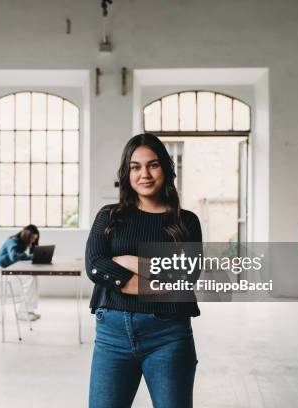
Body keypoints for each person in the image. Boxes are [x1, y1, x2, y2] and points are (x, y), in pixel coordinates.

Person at [86, 133, 202, 408]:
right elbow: (94, 266)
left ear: (167, 168)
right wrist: (158, 280)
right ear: (126, 173)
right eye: (135, 167)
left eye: (153, 165)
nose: (144, 174)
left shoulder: (187, 222)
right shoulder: (109, 216)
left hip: (168, 336)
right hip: (111, 335)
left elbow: (185, 278)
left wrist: (127, 261)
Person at [0, 225, 41, 321]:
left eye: (35, 239)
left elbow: (19, 259)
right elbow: (14, 257)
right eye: (32, 238)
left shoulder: (21, 244)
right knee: (30, 278)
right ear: (26, 235)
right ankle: (23, 312)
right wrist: (32, 257)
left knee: (32, 276)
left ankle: (28, 310)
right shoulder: (12, 241)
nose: (33, 241)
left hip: (6, 272)